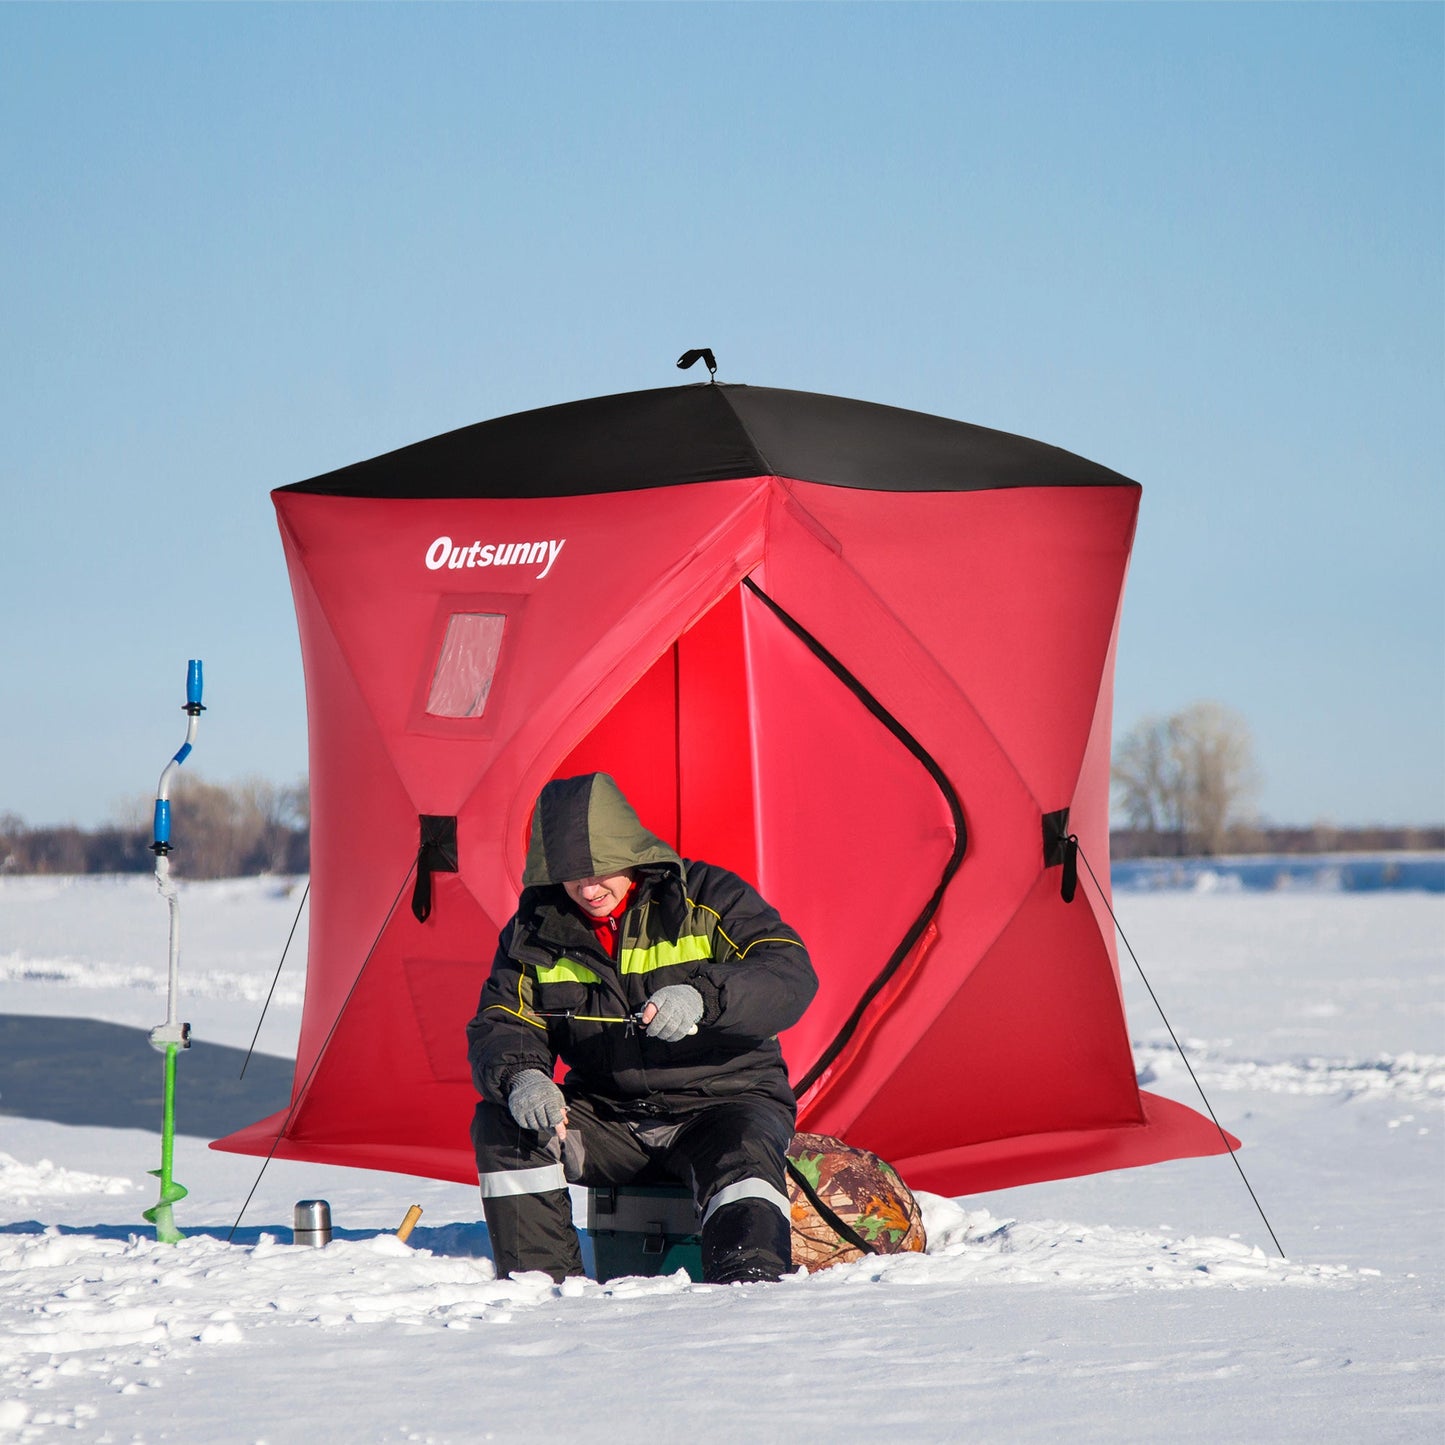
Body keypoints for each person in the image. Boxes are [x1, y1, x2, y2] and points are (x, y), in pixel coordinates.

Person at [466, 772, 817, 1284]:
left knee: (742, 1154)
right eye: (570, 874)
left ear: (632, 851)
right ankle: (542, 1292)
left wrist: (703, 998)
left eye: (603, 869)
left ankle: (748, 1291)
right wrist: (523, 1076)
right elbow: (503, 1019)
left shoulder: (709, 895)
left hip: (724, 1106)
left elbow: (788, 973)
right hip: (611, 1121)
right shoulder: (532, 930)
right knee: (506, 1126)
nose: (589, 888)